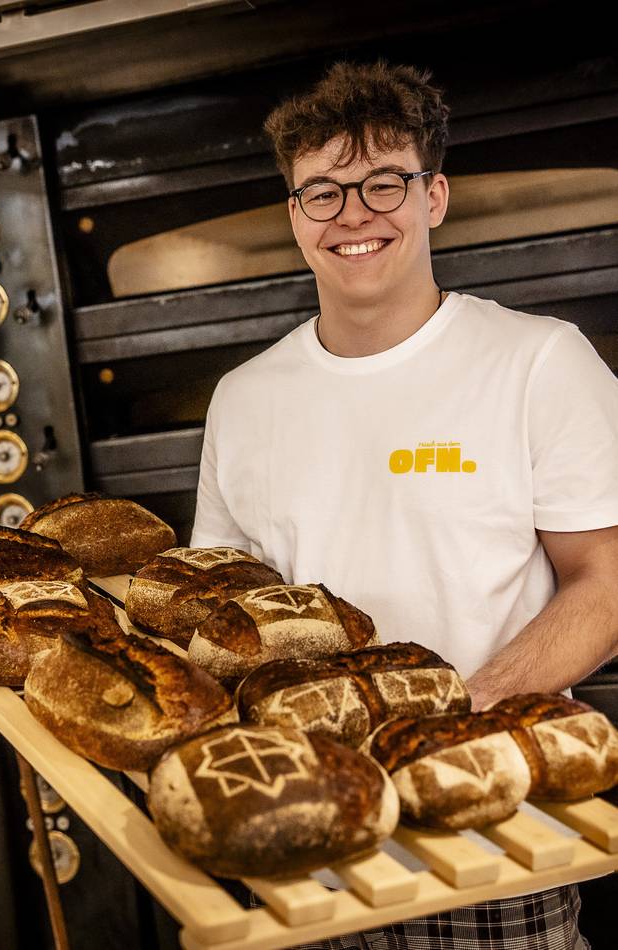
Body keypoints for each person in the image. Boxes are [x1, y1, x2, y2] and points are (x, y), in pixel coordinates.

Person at [191, 60, 618, 950]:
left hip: (491, 830)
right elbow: (227, 617)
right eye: (323, 192)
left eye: (384, 182)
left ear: (434, 197)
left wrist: (451, 721)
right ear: (294, 215)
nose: (353, 214)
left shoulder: (539, 361)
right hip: (305, 844)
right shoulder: (243, 398)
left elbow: (606, 585)